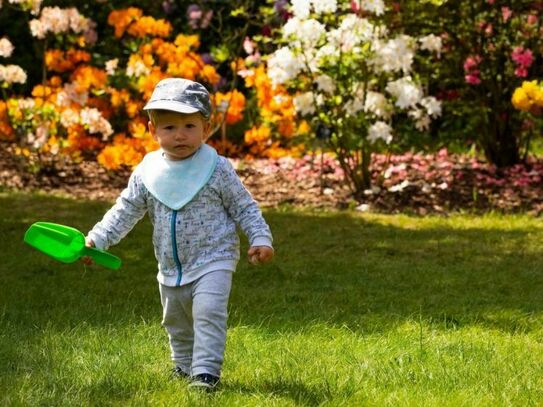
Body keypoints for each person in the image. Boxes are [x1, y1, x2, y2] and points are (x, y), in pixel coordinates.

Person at [83, 78, 274, 390]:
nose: (180, 135)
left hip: (215, 257)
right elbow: (125, 210)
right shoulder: (147, 172)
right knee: (176, 322)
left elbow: (244, 207)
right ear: (152, 130)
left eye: (189, 125)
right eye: (169, 127)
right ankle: (183, 365)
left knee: (208, 312)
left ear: (206, 128)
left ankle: (205, 373)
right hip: (171, 265)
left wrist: (260, 238)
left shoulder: (217, 168)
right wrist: (98, 239)